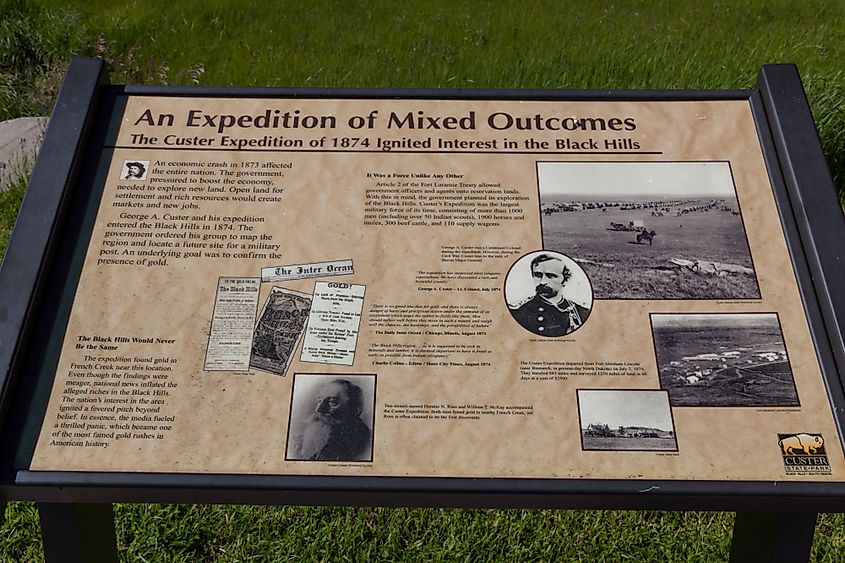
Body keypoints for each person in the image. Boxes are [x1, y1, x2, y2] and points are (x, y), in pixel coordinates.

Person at [509, 253, 591, 336]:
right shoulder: (519, 312)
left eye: (551, 276)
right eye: (538, 275)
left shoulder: (581, 313)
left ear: (565, 280)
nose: (542, 281)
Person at [291, 378, 371, 461]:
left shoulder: (366, 446)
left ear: (354, 410)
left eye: (332, 402)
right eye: (319, 400)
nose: (318, 409)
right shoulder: (300, 441)